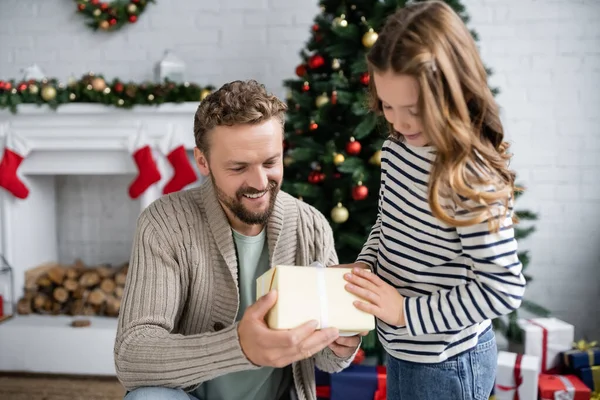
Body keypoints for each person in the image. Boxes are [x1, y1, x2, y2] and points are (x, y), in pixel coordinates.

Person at [114, 80, 362, 400]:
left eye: (270, 162)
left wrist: (340, 343)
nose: (260, 183)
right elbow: (133, 356)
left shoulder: (310, 225)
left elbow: (326, 359)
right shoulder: (164, 223)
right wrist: (239, 347)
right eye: (239, 167)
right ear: (202, 161)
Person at [334, 1, 526, 399]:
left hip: (449, 362)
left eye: (415, 110)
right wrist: (365, 267)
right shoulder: (397, 149)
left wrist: (405, 312)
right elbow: (388, 225)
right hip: (402, 348)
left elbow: (503, 286)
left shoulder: (469, 177)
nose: (399, 123)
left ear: (453, 94)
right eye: (387, 106)